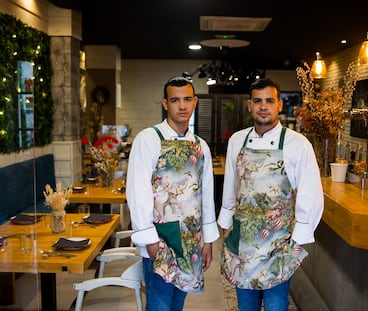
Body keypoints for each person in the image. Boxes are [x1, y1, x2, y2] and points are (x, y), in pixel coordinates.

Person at [218, 78, 324, 311]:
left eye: (269, 101)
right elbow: (231, 185)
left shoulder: (298, 144)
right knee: (246, 304)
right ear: (249, 105)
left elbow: (311, 193)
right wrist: (226, 225)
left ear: (279, 105)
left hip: (278, 242)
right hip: (243, 240)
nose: (263, 106)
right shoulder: (237, 141)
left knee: (277, 305)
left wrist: (298, 238)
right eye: (257, 101)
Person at [126, 76, 220, 311]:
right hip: (161, 239)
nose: (182, 105)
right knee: (159, 304)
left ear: (195, 102)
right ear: (165, 103)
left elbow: (206, 195)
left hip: (191, 239)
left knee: (178, 304)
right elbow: (137, 192)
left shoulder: (201, 145)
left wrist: (207, 240)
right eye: (175, 100)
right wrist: (149, 239)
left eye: (187, 99)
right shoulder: (148, 139)